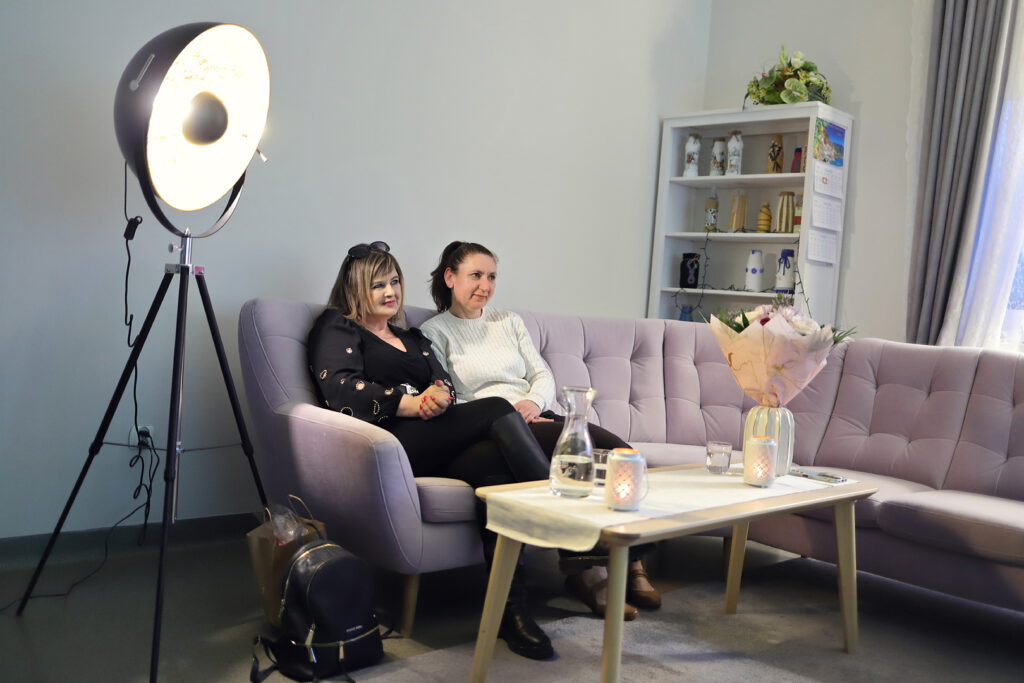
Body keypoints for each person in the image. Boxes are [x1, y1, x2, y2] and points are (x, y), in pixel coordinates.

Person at [307, 241, 555, 660]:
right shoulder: (338, 326)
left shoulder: (412, 336)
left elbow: (444, 383)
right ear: (354, 288)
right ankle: (558, 519)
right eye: (378, 285)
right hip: (393, 442)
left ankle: (510, 612)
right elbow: (340, 389)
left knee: (493, 467)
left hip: (438, 435)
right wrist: (411, 403)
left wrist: (439, 396)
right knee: (497, 407)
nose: (390, 292)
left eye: (394, 281)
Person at [421, 241, 663, 620]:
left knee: (620, 452)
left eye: (492, 277)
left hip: (535, 414)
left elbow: (541, 374)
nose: (485, 285)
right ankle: (587, 572)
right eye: (476, 275)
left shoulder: (508, 321)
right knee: (581, 457)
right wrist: (506, 416)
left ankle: (633, 563)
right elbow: (450, 396)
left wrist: (533, 403)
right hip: (491, 428)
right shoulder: (434, 332)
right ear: (450, 278)